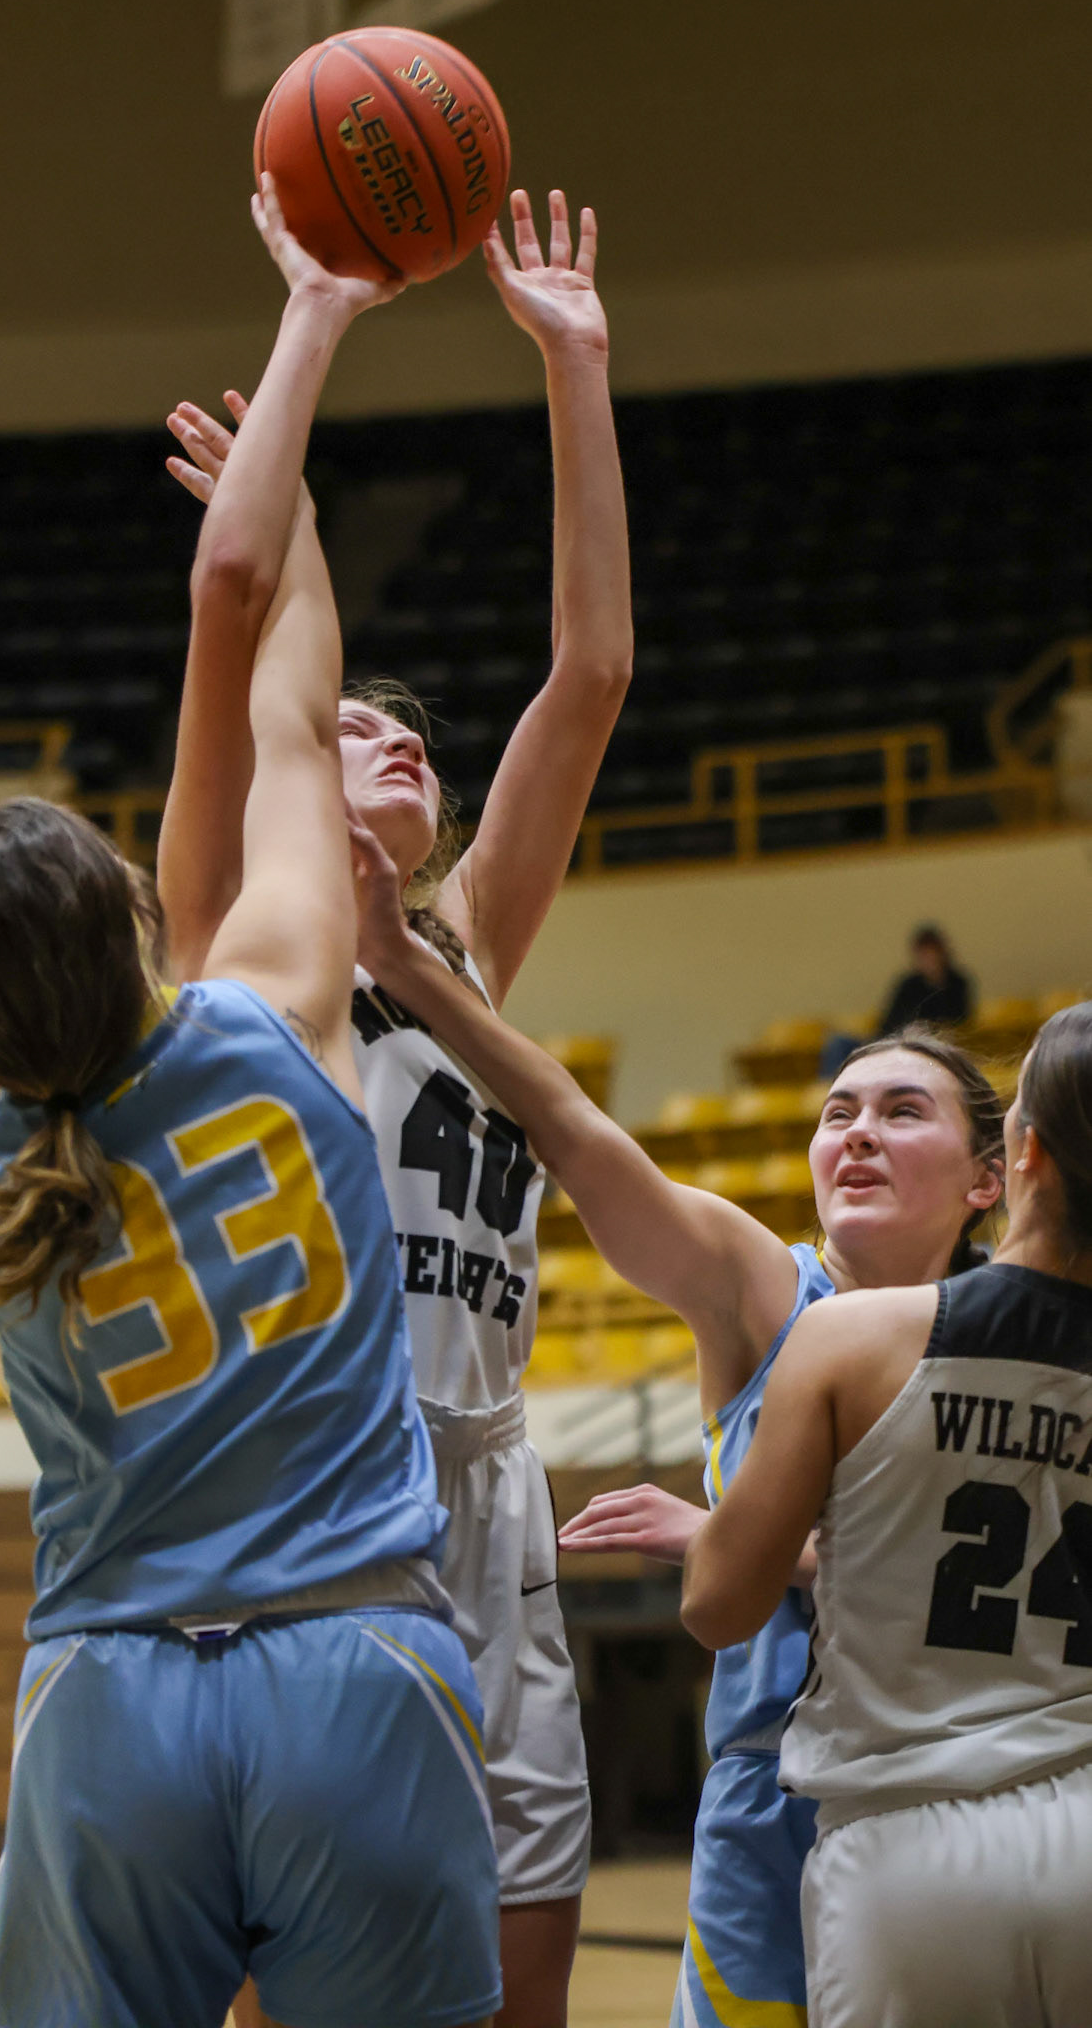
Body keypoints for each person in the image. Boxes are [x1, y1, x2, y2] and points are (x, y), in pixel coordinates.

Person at [0, 179, 500, 2028]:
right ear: (131, 913)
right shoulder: (277, 1003)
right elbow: (260, 660)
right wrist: (313, 326)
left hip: (114, 1703)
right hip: (356, 1666)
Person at [163, 186, 632, 2028]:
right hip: (309, 1502)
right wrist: (279, 530)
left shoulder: (470, 949)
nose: (403, 736)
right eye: (363, 724)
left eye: (419, 732)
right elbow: (250, 665)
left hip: (493, 1482)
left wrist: (574, 368)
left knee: (526, 1988)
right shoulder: (228, 941)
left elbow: (586, 680)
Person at [350, 831, 1005, 2028]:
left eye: (902, 1111)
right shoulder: (765, 1289)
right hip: (773, 1792)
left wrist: (738, 1541)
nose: (854, 1131)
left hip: (959, 1787)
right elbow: (577, 1136)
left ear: (989, 1178)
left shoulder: (1023, 1338)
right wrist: (411, 968)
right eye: (836, 1110)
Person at [681, 1003, 1092, 2028]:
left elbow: (716, 1602)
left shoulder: (848, 1334)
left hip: (907, 1844)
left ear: (1017, 1153)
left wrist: (735, 1535)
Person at [821, 923, 973, 1077]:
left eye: (932, 953)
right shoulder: (908, 983)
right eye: (923, 954)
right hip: (890, 1038)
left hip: (921, 1043)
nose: (928, 958)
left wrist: (936, 983)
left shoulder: (956, 984)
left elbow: (957, 1020)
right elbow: (889, 1019)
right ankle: (828, 1091)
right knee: (839, 1042)